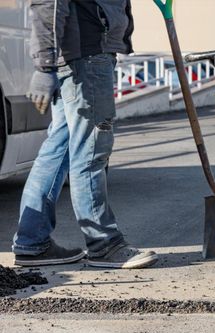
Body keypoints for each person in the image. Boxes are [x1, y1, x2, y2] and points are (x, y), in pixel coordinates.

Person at [13, 0, 158, 269]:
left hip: (84, 55)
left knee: (59, 150)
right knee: (91, 151)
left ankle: (31, 242)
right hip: (86, 56)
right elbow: (48, 3)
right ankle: (104, 244)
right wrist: (44, 65)